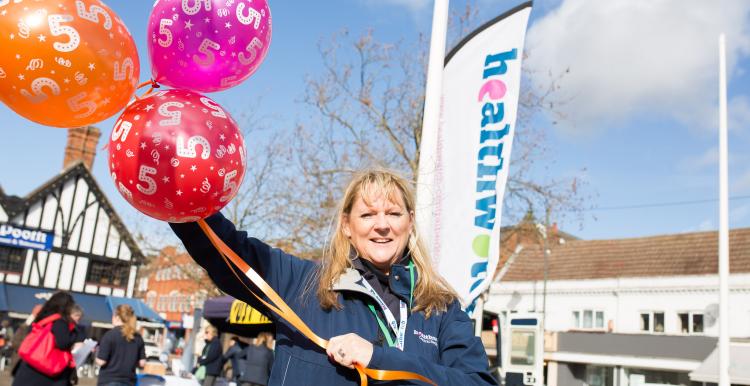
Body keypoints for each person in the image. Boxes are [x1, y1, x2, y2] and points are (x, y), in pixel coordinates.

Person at [170, 169, 496, 385]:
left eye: (394, 214)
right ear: (346, 225)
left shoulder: (439, 306)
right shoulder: (302, 283)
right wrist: (172, 184)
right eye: (367, 214)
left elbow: (477, 382)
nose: (381, 225)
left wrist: (380, 359)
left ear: (409, 223)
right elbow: (223, 248)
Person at [12, 292, 78, 386]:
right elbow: (63, 343)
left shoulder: (42, 318)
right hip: (46, 371)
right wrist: (74, 336)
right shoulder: (60, 322)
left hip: (28, 367)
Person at [95, 304, 146, 386]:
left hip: (109, 380)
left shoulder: (109, 335)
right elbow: (142, 363)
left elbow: (101, 361)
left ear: (117, 317)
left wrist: (95, 353)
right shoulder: (137, 337)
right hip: (129, 381)